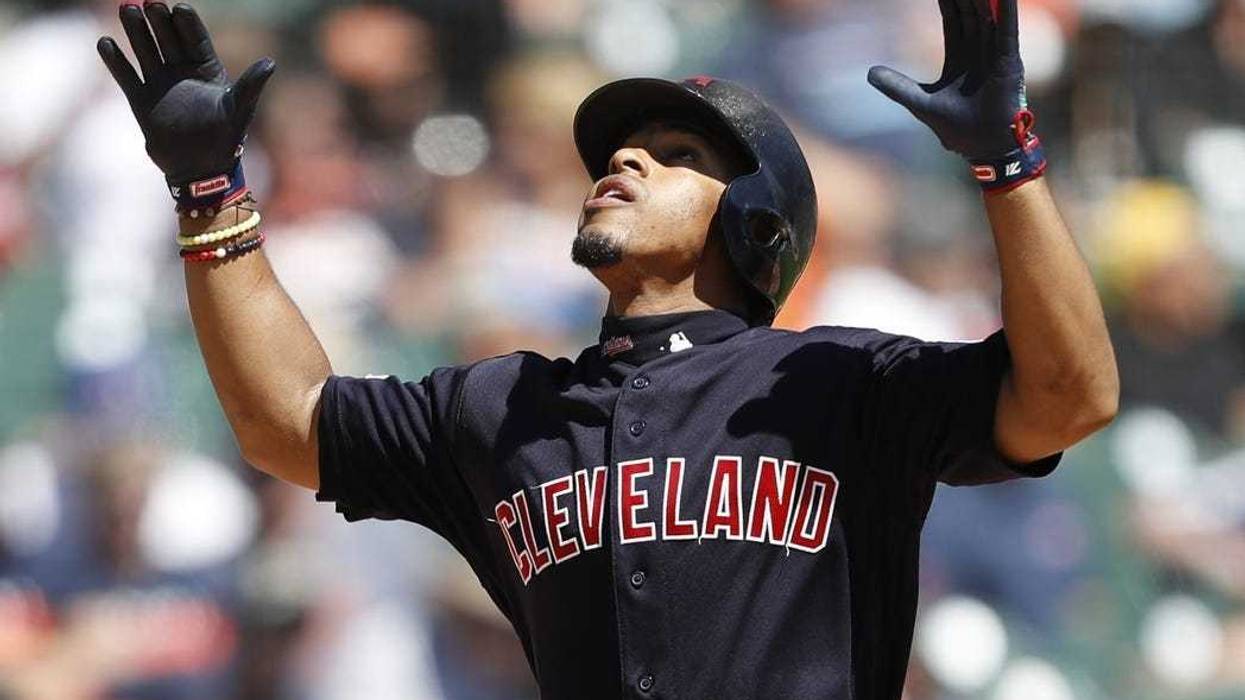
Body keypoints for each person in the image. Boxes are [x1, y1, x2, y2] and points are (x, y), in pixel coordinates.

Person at [97, 1, 1118, 697]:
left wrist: (1008, 160)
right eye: (622, 147)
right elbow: (287, 421)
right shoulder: (504, 409)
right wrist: (211, 191)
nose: (625, 157)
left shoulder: (838, 380)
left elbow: (1069, 395)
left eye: (678, 156)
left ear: (755, 226)